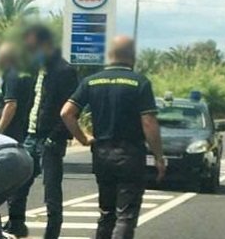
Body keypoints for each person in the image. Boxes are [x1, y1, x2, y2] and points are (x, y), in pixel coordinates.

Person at [61, 36, 165, 239]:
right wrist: (159, 156)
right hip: (130, 155)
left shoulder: (91, 81)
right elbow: (149, 123)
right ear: (132, 56)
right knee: (125, 215)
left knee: (106, 213)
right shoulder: (139, 83)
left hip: (101, 154)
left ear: (109, 56)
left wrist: (83, 138)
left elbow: (66, 113)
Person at [8, 24, 78, 239]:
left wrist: (54, 136)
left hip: (50, 141)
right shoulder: (37, 70)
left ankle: (51, 235)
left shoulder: (64, 71)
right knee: (17, 186)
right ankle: (16, 227)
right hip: (30, 137)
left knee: (51, 194)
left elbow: (70, 108)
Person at [0, 41, 35, 234]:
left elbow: (11, 104)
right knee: (20, 181)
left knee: (10, 182)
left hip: (13, 134)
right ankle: (17, 221)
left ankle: (15, 223)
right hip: (26, 131)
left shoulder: (11, 74)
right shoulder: (28, 73)